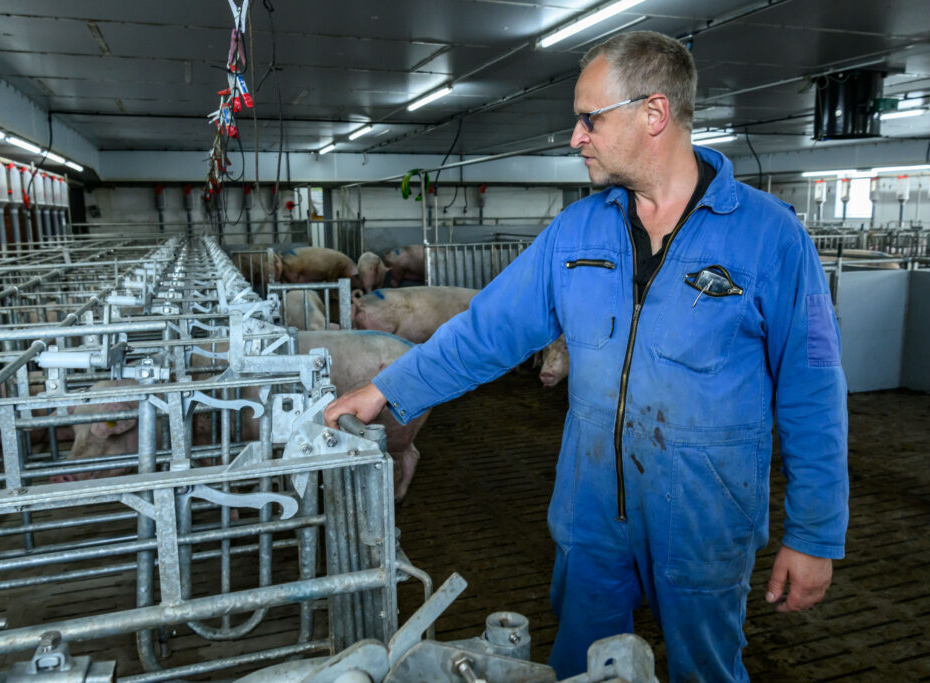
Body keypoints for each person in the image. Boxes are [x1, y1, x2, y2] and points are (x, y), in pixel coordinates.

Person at [324, 30, 848, 682]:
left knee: (705, 669)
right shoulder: (578, 232)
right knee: (578, 667)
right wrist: (387, 389)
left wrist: (814, 534)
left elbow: (813, 390)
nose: (575, 137)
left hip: (706, 520)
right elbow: (486, 329)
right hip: (593, 515)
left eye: (589, 119)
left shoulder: (771, 239)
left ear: (654, 114)